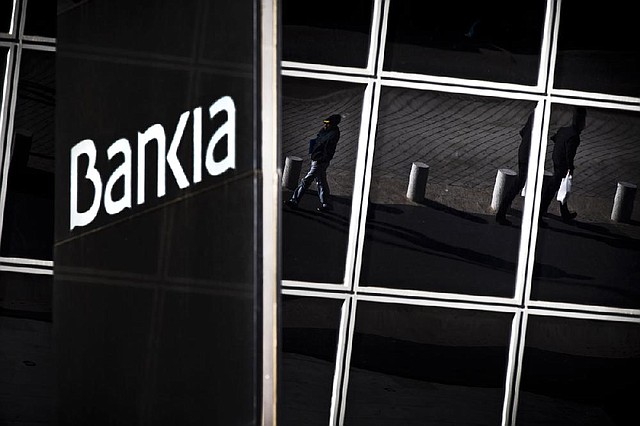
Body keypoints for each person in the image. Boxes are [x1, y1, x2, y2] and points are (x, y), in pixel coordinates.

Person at [284, 114, 341, 212]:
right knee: (321, 182)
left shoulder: (333, 134)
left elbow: (328, 149)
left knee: (306, 181)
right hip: (316, 159)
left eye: (328, 124)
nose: (325, 125)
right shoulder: (325, 130)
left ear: (333, 124)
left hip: (320, 161)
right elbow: (318, 140)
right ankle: (327, 204)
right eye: (325, 123)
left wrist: (321, 159)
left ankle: (294, 200)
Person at [539, 106, 587, 223]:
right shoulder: (574, 137)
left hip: (556, 161)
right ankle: (539, 214)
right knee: (553, 189)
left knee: (562, 188)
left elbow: (554, 138)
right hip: (562, 166)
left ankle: (564, 213)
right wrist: (570, 168)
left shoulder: (564, 130)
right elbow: (569, 154)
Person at [496, 111, 534, 226]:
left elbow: (522, 132)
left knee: (520, 182)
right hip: (528, 153)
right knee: (519, 183)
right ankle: (501, 213)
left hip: (523, 150)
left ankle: (502, 212)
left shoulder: (534, 114)